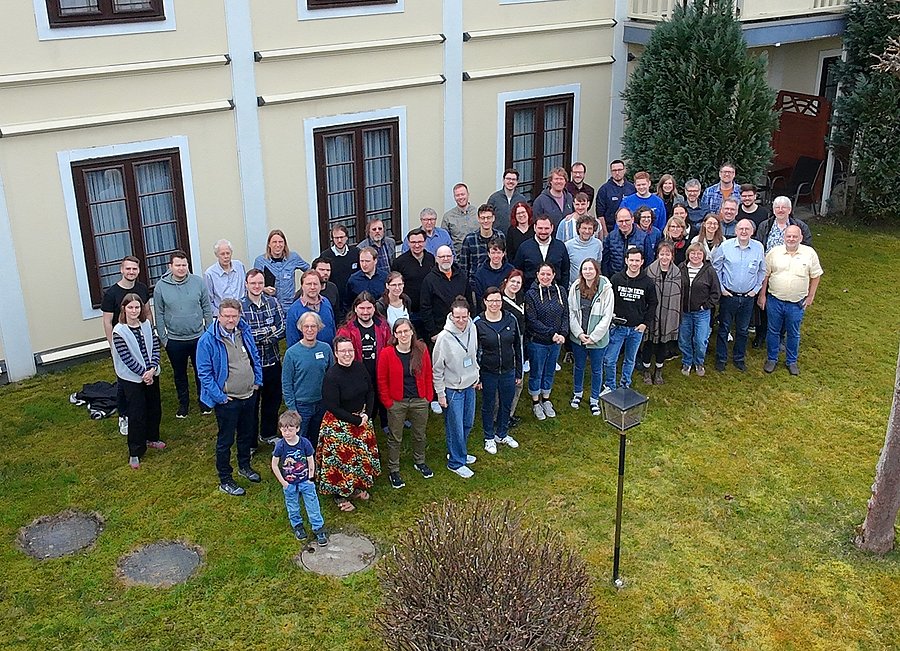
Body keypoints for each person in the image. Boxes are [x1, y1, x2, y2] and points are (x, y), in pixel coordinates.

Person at [197, 298, 263, 496]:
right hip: (228, 400)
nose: (230, 320)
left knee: (246, 434)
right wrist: (220, 397)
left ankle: (245, 466)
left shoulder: (244, 331)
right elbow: (204, 374)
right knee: (225, 440)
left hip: (249, 394)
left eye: (234, 316)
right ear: (219, 316)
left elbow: (254, 357)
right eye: (226, 316)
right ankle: (225, 478)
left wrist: (257, 381)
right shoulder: (207, 341)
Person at [318, 335, 380, 512]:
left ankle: (355, 486)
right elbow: (332, 406)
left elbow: (370, 391)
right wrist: (356, 420)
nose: (347, 354)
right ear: (336, 354)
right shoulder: (332, 376)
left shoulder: (360, 368)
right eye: (343, 351)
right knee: (343, 461)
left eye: (350, 350)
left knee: (360, 457)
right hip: (340, 424)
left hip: (361, 419)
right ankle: (340, 494)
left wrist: (367, 414)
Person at [376, 318, 435, 489]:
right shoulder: (387, 353)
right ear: (395, 334)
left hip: (419, 400)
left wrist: (428, 397)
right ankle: (394, 469)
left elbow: (428, 373)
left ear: (412, 332)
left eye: (406, 331)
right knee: (395, 437)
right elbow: (381, 379)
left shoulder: (421, 349)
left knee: (420, 434)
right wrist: (388, 402)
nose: (403, 335)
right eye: (399, 332)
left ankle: (420, 461)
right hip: (397, 402)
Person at [154, 250, 213, 418]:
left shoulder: (198, 283)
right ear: (170, 266)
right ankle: (183, 404)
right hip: (174, 340)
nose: (181, 268)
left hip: (199, 337)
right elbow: (158, 313)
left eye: (184, 265)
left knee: (201, 371)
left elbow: (207, 309)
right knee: (179, 374)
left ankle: (204, 401)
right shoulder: (161, 287)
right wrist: (163, 338)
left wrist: (208, 333)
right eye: (178, 265)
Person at [759, 225, 823, 376]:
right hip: (775, 300)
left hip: (796, 303)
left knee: (794, 333)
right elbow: (765, 275)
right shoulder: (774, 253)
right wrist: (762, 295)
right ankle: (772, 359)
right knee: (773, 331)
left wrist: (811, 296)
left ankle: (791, 361)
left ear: (801, 238)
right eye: (789, 236)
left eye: (795, 236)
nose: (791, 239)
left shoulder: (809, 253)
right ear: (784, 237)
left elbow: (816, 275)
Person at [111, 293, 163, 469]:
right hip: (132, 379)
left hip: (152, 373)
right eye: (130, 307)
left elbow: (155, 346)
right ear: (124, 309)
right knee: (137, 413)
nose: (134, 311)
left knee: (154, 408)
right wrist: (144, 373)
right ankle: (135, 451)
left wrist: (153, 368)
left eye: (137, 307)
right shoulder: (119, 331)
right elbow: (126, 358)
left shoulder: (147, 324)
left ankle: (152, 438)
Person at [101, 256, 150, 437]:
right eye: (128, 269)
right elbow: (107, 321)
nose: (131, 272)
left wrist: (150, 334)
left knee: (144, 374)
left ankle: (143, 412)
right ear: (121, 270)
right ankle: (124, 415)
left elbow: (147, 311)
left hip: (141, 339)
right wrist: (112, 345)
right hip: (122, 342)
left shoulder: (142, 289)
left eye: (134, 269)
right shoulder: (111, 293)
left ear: (138, 271)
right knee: (124, 382)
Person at [432, 297, 480, 478]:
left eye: (464, 317)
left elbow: (474, 354)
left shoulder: (472, 328)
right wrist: (440, 394)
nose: (461, 321)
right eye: (457, 317)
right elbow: (437, 369)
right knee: (455, 427)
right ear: (451, 316)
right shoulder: (444, 338)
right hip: (453, 390)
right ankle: (455, 462)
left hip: (470, 385)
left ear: (469, 316)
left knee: (467, 423)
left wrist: (476, 374)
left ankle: (458, 452)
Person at [711, 219, 766, 372]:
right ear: (735, 231)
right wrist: (721, 288)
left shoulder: (758, 248)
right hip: (729, 295)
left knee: (742, 330)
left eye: (747, 229)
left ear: (752, 231)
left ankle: (739, 358)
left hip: (748, 297)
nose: (743, 231)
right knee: (724, 328)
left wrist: (756, 289)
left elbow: (762, 270)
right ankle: (721, 359)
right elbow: (716, 269)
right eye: (740, 228)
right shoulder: (726, 246)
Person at [474, 287, 522, 454]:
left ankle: (502, 433)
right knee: (488, 404)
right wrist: (477, 377)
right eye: (491, 300)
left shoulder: (511, 319)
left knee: (506, 403)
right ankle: (489, 436)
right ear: (485, 302)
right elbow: (474, 351)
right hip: (488, 372)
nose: (495, 304)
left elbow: (518, 346)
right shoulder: (478, 323)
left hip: (508, 370)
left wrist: (518, 372)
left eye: (498, 300)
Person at [241, 268, 285, 446]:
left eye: (260, 283)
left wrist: (262, 335)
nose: (257, 286)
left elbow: (282, 328)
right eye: (253, 283)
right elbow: (244, 335)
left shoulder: (273, 302)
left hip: (273, 361)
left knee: (272, 401)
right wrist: (269, 330)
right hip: (251, 365)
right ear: (246, 285)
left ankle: (267, 434)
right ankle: (250, 443)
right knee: (251, 405)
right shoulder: (240, 307)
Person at [271, 410, 328, 546]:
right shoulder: (280, 445)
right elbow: (274, 465)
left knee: (312, 504)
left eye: (290, 430)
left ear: (297, 428)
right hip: (289, 483)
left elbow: (310, 460)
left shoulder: (305, 443)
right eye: (284, 431)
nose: (287, 434)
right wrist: (283, 482)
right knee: (293, 505)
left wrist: (310, 477)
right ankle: (297, 526)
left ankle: (318, 528)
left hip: (305, 481)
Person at [336, 292, 391, 432]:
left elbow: (389, 347)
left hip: (379, 369)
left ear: (374, 308)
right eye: (362, 308)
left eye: (369, 308)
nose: (365, 312)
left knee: (382, 396)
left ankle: (385, 423)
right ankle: (366, 424)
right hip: (358, 372)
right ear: (355, 308)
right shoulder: (347, 329)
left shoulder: (383, 326)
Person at [603, 247, 657, 390]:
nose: (634, 263)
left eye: (637, 260)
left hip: (636, 329)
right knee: (609, 360)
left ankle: (625, 384)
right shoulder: (616, 279)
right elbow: (606, 301)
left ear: (642, 262)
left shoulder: (648, 282)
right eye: (631, 260)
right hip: (617, 327)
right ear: (626, 261)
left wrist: (645, 324)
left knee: (630, 359)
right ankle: (610, 385)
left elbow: (653, 303)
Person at [567, 259, 614, 416]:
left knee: (596, 369)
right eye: (585, 269)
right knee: (579, 366)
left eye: (591, 269)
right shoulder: (575, 287)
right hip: (579, 337)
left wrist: (593, 337)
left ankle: (594, 398)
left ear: (596, 270)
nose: (588, 272)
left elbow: (607, 317)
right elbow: (571, 313)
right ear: (581, 271)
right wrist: (579, 333)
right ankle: (577, 393)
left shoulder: (606, 288)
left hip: (598, 340)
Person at [282, 312, 333, 449]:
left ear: (319, 328)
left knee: (318, 438)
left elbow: (332, 376)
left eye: (313, 326)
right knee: (300, 441)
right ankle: (299, 467)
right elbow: (286, 383)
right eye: (306, 326)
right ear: (301, 328)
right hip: (301, 406)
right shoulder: (292, 353)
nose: (310, 330)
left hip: (322, 404)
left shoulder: (326, 349)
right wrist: (292, 408)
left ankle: (315, 464)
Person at [525, 263, 567, 420]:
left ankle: (546, 398)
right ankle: (536, 402)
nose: (545, 277)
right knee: (537, 372)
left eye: (548, 274)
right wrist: (552, 334)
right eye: (542, 274)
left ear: (554, 275)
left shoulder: (561, 291)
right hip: (538, 342)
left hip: (556, 342)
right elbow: (532, 320)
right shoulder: (531, 294)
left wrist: (562, 333)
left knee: (549, 371)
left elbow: (565, 314)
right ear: (537, 275)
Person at [640, 241, 683, 385]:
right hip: (652, 313)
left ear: (672, 256)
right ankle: (646, 370)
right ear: (657, 255)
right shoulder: (649, 271)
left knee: (663, 344)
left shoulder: (677, 273)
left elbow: (679, 297)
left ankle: (658, 370)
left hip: (668, 313)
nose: (664, 257)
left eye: (668, 254)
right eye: (662, 254)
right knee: (649, 342)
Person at [678, 242, 721, 377]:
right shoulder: (682, 268)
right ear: (688, 254)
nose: (695, 256)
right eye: (693, 253)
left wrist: (705, 305)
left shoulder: (709, 270)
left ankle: (699, 362)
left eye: (699, 253)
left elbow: (716, 293)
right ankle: (687, 361)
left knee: (700, 340)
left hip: (702, 313)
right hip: (684, 312)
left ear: (703, 255)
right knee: (684, 339)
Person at [420, 245, 470, 344]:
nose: (446, 259)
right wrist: (433, 332)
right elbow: (425, 308)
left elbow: (470, 302)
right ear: (437, 259)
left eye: (448, 256)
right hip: (440, 332)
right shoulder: (429, 280)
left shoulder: (462, 276)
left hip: (462, 329)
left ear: (452, 257)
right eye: (442, 257)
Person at [392, 228, 435, 339]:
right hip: (411, 312)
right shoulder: (399, 262)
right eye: (413, 242)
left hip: (430, 311)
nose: (417, 245)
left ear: (425, 242)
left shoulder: (431, 259)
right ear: (408, 243)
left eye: (420, 242)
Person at [253, 230, 309, 312]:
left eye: (280, 242)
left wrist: (304, 289)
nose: (278, 245)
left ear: (284, 244)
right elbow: (253, 283)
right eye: (274, 242)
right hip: (270, 306)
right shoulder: (260, 261)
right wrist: (264, 289)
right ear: (269, 244)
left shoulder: (293, 257)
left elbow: (309, 271)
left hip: (290, 305)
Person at [513, 215, 570, 290]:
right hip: (530, 294)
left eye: (546, 228)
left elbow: (565, 272)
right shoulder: (524, 247)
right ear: (534, 228)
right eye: (540, 228)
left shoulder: (560, 246)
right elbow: (518, 271)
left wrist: (562, 291)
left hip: (555, 294)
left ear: (552, 228)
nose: (543, 231)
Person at [500, 269, 527, 426]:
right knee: (505, 382)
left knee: (519, 381)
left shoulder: (521, 298)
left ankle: (509, 414)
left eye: (518, 282)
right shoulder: (500, 301)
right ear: (506, 281)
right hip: (505, 344)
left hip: (520, 341)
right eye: (513, 281)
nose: (515, 285)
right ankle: (499, 416)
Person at [285, 270, 336, 347]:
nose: (312, 287)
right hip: (306, 355)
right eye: (309, 284)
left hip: (328, 353)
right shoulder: (294, 310)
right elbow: (292, 341)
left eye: (315, 284)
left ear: (320, 286)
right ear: (302, 286)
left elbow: (332, 329)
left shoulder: (326, 303)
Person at [459, 204, 504, 291]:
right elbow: (463, 268)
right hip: (475, 285)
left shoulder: (500, 236)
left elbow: (504, 260)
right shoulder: (470, 239)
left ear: (493, 218)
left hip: (497, 285)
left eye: (488, 217)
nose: (486, 220)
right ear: (478, 219)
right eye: (483, 218)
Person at [601, 208, 651, 278]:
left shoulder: (643, 237)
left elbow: (649, 261)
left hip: (636, 280)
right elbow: (605, 262)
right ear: (616, 221)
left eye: (627, 220)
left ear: (632, 219)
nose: (624, 224)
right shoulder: (611, 237)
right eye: (620, 221)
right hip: (615, 279)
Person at [320, 225, 360, 311]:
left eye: (341, 237)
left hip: (353, 299)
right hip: (335, 299)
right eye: (336, 238)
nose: (339, 240)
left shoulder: (356, 253)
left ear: (347, 238)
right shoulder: (326, 256)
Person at [596, 159, 636, 236]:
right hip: (610, 230)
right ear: (611, 172)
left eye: (619, 170)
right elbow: (600, 215)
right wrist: (605, 233)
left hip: (630, 231)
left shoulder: (631, 188)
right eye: (614, 170)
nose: (617, 173)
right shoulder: (604, 190)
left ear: (624, 170)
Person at [204, 239, 246, 310]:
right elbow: (208, 300)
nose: (226, 256)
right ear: (216, 255)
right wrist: (219, 315)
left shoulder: (239, 266)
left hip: (242, 311)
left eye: (228, 253)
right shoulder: (209, 274)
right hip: (223, 314)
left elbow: (246, 288)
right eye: (222, 254)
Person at [472, 238, 514, 309]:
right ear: (488, 254)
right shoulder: (480, 273)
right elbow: (479, 299)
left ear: (503, 253)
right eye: (493, 253)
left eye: (498, 253)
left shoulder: (511, 271)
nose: (496, 256)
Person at [346, 247, 388, 313]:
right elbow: (348, 304)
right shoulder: (353, 280)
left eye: (367, 261)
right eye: (362, 261)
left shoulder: (385, 277)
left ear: (375, 261)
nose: (364, 264)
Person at [442, 182, 478, 255]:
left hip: (477, 257)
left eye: (462, 194)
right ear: (454, 197)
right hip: (458, 259)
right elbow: (445, 240)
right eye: (457, 195)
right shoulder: (448, 217)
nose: (460, 197)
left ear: (468, 194)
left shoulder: (478, 213)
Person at [566, 214, 603, 283]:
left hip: (592, 284)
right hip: (574, 286)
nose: (587, 231)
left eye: (590, 228)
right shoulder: (568, 245)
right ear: (578, 229)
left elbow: (598, 264)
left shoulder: (598, 244)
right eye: (584, 228)